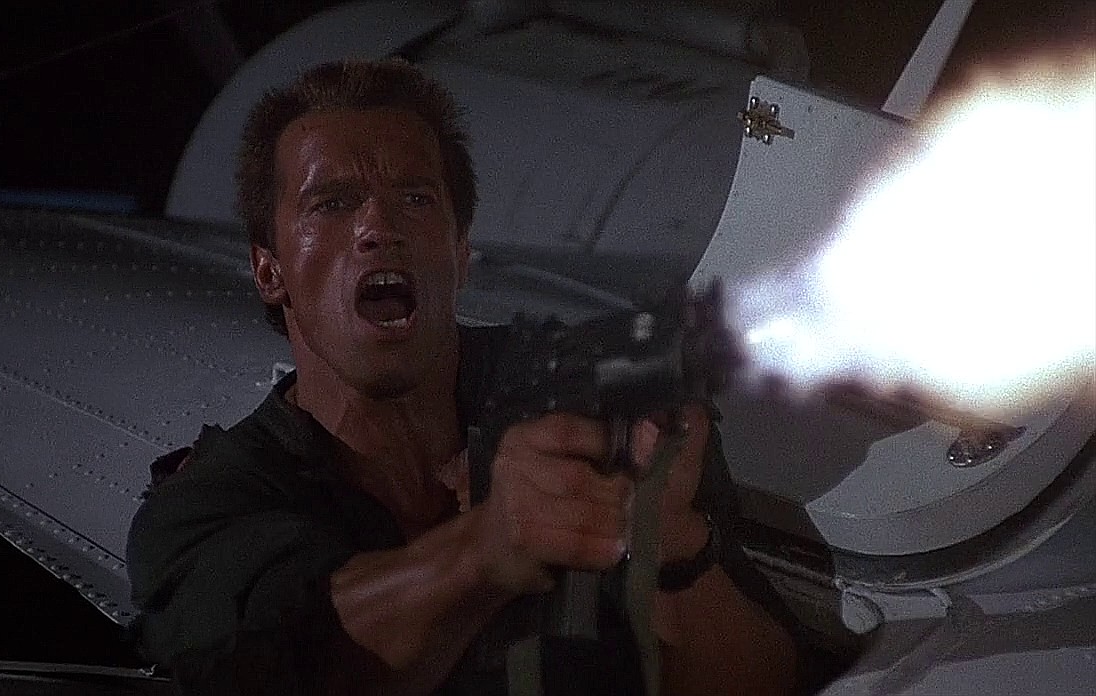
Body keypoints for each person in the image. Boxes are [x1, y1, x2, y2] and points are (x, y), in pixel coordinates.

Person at [127, 58, 807, 695]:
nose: (378, 226)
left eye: (416, 198)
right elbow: (291, 658)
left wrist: (671, 544)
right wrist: (487, 548)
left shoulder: (584, 397)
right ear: (269, 271)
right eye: (331, 204)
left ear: (459, 253)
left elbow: (765, 680)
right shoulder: (207, 505)